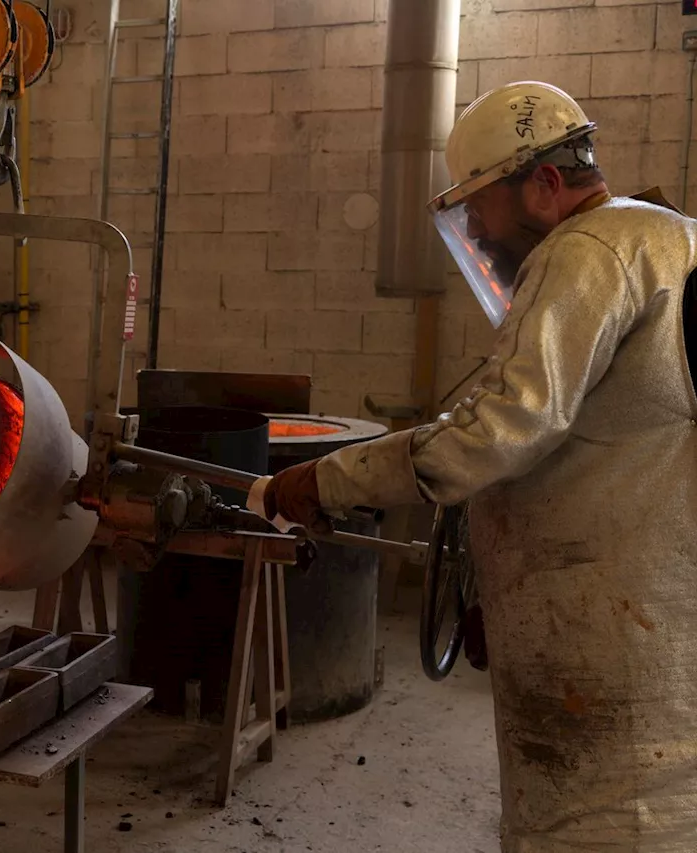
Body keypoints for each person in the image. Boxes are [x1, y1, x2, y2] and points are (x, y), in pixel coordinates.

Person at [251, 80, 697, 851]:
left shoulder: (588, 250)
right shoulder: (667, 236)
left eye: (481, 208)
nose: (482, 234)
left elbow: (497, 429)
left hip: (618, 647)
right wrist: (515, 587)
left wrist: (327, 479)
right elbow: (606, 439)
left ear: (545, 184)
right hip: (641, 611)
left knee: (592, 830)